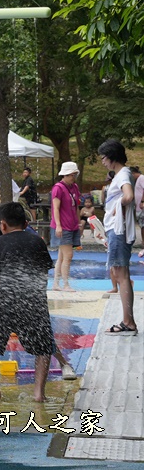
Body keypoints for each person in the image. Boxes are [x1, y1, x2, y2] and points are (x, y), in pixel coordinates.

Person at [0, 224, 77, 382]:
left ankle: (64, 364)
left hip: (25, 305)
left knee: (43, 339)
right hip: (6, 307)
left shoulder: (15, 253)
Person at [0, 203, 57, 402]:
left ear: (2, 225)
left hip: (5, 302)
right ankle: (38, 393)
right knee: (44, 346)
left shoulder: (0, 244)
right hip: (34, 302)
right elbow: (43, 273)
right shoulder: (38, 241)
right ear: (26, 223)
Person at [98, 139, 138, 336]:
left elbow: (129, 196)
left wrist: (117, 207)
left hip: (118, 230)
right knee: (122, 275)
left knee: (121, 276)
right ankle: (128, 320)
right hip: (116, 229)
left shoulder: (123, 174)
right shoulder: (123, 174)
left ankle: (128, 322)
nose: (103, 161)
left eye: (104, 158)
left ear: (112, 157)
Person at [50, 162, 82, 292]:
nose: (74, 177)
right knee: (68, 256)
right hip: (63, 226)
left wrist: (79, 223)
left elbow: (76, 207)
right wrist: (58, 225)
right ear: (65, 174)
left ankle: (56, 283)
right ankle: (65, 284)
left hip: (72, 225)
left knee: (62, 256)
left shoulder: (74, 187)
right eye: (72, 175)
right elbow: (55, 208)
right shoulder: (58, 188)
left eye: (74, 175)